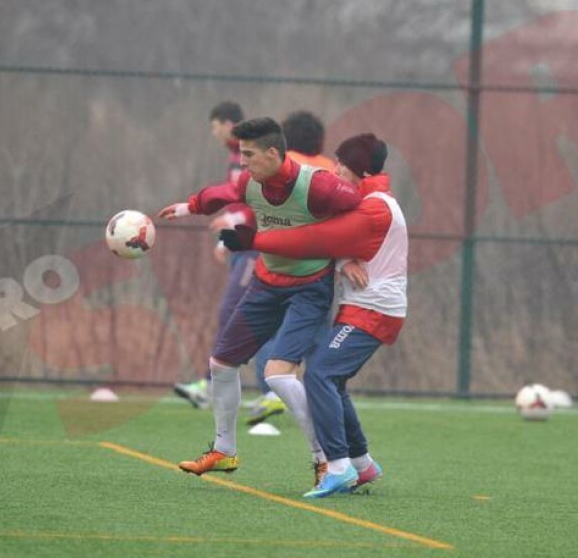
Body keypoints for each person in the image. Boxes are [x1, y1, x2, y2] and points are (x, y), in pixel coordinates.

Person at [156, 118, 361, 481]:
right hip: (266, 285)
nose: (244, 162)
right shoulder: (250, 182)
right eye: (241, 154)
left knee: (278, 376)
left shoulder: (316, 185)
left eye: (249, 155)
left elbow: (358, 209)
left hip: (309, 289)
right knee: (221, 364)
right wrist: (186, 207)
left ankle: (323, 458)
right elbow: (220, 194)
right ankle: (224, 452)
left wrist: (350, 257)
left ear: (272, 153)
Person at [221, 133, 403, 497]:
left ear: (360, 171)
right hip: (361, 308)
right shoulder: (365, 202)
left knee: (319, 373)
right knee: (330, 379)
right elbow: (339, 241)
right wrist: (346, 259)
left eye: (342, 165)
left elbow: (315, 240)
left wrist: (253, 241)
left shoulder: (375, 207)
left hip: (375, 310)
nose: (334, 169)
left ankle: (337, 466)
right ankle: (363, 465)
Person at [172, 101, 269, 410]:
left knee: (234, 313)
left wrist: (234, 224)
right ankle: (231, 386)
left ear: (228, 124)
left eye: (214, 126)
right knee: (244, 315)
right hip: (246, 245)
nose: (213, 133)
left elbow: (253, 200)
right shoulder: (237, 155)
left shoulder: (246, 154)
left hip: (255, 248)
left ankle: (225, 386)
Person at [243, 110, 336, 425]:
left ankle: (273, 391)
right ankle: (322, 390)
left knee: (272, 330)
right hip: (320, 270)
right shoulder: (329, 170)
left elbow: (253, 205)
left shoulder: (282, 167)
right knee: (317, 332)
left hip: (279, 269)